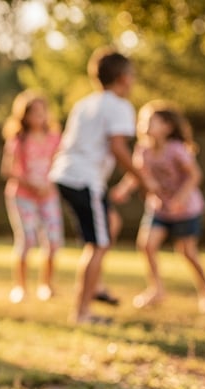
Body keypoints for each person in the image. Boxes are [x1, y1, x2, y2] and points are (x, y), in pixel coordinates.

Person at [49, 47, 154, 325]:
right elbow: (118, 149)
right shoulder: (119, 106)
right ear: (122, 77)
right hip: (85, 179)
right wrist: (143, 180)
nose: (133, 81)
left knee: (111, 222)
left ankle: (94, 284)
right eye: (131, 75)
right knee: (98, 244)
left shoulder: (85, 103)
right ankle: (82, 312)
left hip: (65, 174)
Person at [110, 101, 205, 313]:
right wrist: (123, 189)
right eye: (142, 121)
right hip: (159, 208)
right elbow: (137, 174)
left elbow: (195, 175)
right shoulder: (143, 149)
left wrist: (181, 198)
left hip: (186, 209)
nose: (144, 125)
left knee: (187, 252)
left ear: (167, 127)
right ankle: (156, 289)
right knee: (146, 244)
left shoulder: (176, 150)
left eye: (150, 121)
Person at [0, 90, 63, 303]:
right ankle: (20, 287)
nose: (39, 116)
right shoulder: (18, 140)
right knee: (27, 240)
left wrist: (49, 184)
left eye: (42, 111)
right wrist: (31, 183)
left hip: (48, 195)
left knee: (53, 241)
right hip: (23, 195)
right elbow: (8, 169)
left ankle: (46, 284)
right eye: (34, 112)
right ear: (24, 116)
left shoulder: (55, 138)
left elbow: (61, 164)